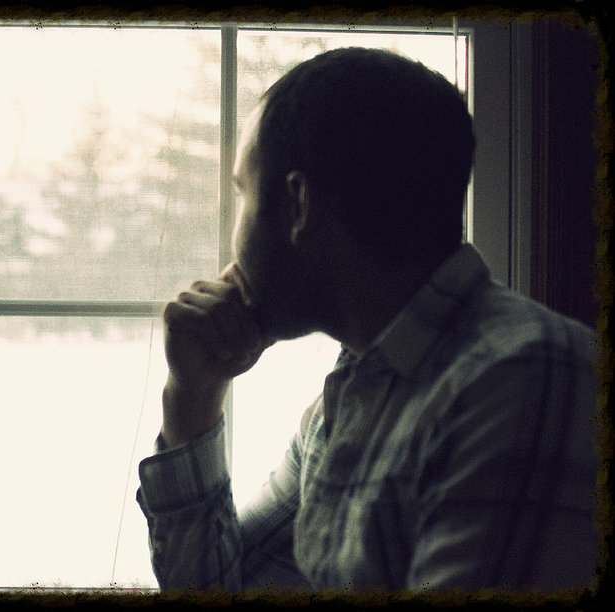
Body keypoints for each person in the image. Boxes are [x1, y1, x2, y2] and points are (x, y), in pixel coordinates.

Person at [136, 47, 599, 593]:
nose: (232, 243)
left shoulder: (519, 381)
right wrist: (192, 396)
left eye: (242, 194)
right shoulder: (352, 400)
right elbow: (223, 588)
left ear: (298, 205)